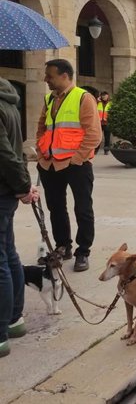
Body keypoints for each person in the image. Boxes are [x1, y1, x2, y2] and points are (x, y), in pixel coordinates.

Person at [36, 59, 101, 272]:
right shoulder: (48, 99)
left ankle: (83, 251)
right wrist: (41, 152)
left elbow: (94, 133)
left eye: (50, 76)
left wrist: (77, 159)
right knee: (56, 207)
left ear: (64, 76)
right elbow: (42, 129)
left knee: (82, 208)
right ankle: (63, 246)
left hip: (76, 164)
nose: (46, 79)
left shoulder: (83, 98)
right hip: (50, 164)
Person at [1, 77, 40, 358]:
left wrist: (23, 185)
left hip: (2, 189)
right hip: (7, 192)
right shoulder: (8, 99)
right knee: (8, 253)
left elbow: (4, 154)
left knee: (1, 259)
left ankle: (1, 331)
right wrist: (22, 185)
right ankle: (14, 319)